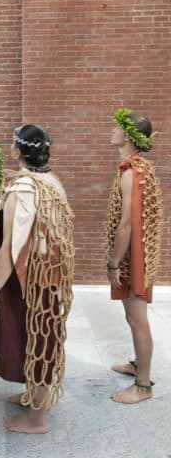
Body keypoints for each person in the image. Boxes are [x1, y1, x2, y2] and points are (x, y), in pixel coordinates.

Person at [0, 125, 75, 434]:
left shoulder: (21, 190)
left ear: (17, 152)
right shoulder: (52, 182)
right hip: (48, 275)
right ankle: (34, 394)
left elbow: (10, 249)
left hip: (26, 280)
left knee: (37, 336)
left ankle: (37, 418)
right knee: (39, 335)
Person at [105, 109, 163, 404]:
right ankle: (139, 364)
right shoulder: (142, 167)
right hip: (141, 252)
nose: (112, 131)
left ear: (128, 135)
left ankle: (143, 385)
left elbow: (126, 223)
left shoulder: (130, 172)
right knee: (133, 318)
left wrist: (114, 262)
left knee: (137, 318)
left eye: (117, 127)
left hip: (132, 257)